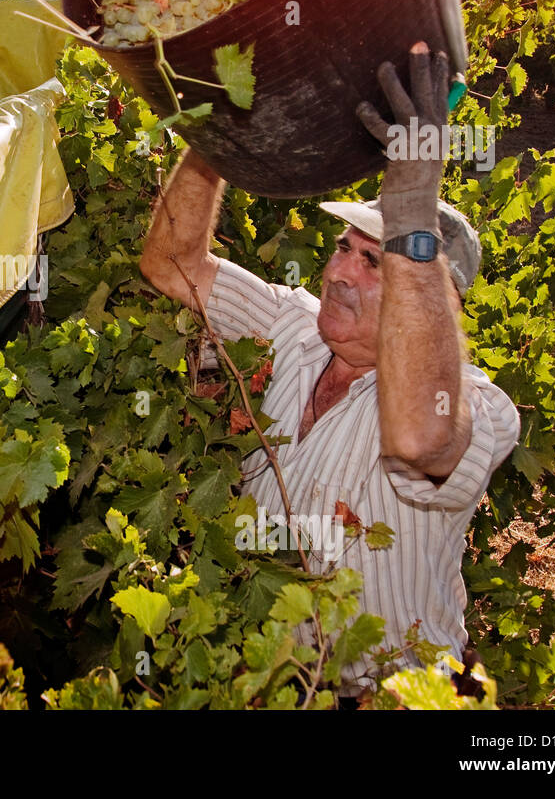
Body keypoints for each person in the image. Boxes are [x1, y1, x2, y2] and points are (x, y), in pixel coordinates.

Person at [139, 42, 520, 695]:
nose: (340, 271)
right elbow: (171, 264)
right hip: (265, 677)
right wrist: (212, 141)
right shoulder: (293, 323)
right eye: (345, 248)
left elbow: (423, 443)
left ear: (435, 303)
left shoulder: (477, 407)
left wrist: (413, 219)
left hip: (393, 697)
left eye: (375, 262)